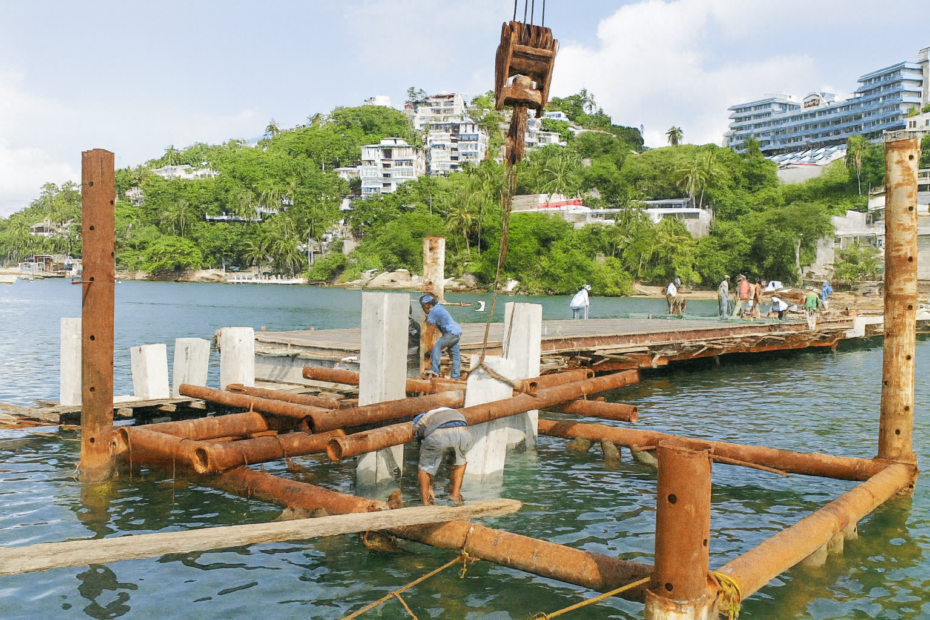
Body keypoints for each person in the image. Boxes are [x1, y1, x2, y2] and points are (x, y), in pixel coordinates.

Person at [414, 407, 472, 505]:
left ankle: (426, 500)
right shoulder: (451, 411)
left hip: (438, 433)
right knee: (459, 464)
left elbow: (419, 437)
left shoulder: (421, 418)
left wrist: (430, 485)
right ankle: (455, 495)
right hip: (463, 432)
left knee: (425, 468)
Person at [419, 294, 462, 380]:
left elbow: (430, 330)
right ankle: (455, 377)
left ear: (427, 305)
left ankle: (435, 372)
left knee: (436, 345)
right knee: (455, 354)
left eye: (422, 306)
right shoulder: (439, 307)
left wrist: (429, 346)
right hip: (457, 332)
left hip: (451, 333)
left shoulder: (433, 312)